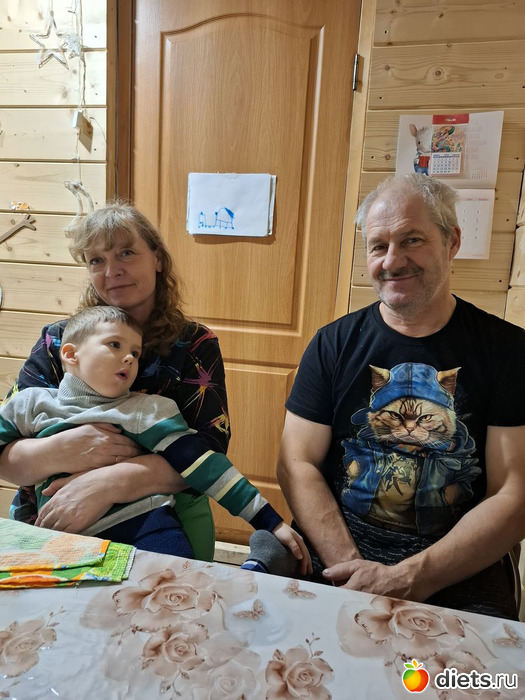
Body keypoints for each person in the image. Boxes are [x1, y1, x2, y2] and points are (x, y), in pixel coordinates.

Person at [274, 173, 525, 619]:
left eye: (412, 240)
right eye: (378, 246)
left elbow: (513, 492)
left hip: (455, 560)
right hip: (340, 546)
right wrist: (353, 569)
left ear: (451, 241)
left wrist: (412, 577)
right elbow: (296, 463)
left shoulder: (508, 351)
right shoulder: (332, 344)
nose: (393, 260)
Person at [0, 202, 230, 561]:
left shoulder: (194, 345)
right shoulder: (58, 341)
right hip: (51, 518)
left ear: (158, 258)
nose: (112, 271)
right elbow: (5, 453)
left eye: (126, 253)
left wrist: (107, 484)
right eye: (97, 260)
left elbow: (210, 450)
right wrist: (63, 449)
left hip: (155, 523)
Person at [0, 306, 310, 569]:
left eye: (135, 353)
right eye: (115, 345)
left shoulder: (146, 409)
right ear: (70, 354)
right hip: (62, 534)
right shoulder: (30, 404)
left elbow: (207, 465)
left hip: (143, 524)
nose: (129, 358)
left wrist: (270, 521)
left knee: (179, 587)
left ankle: (256, 572)